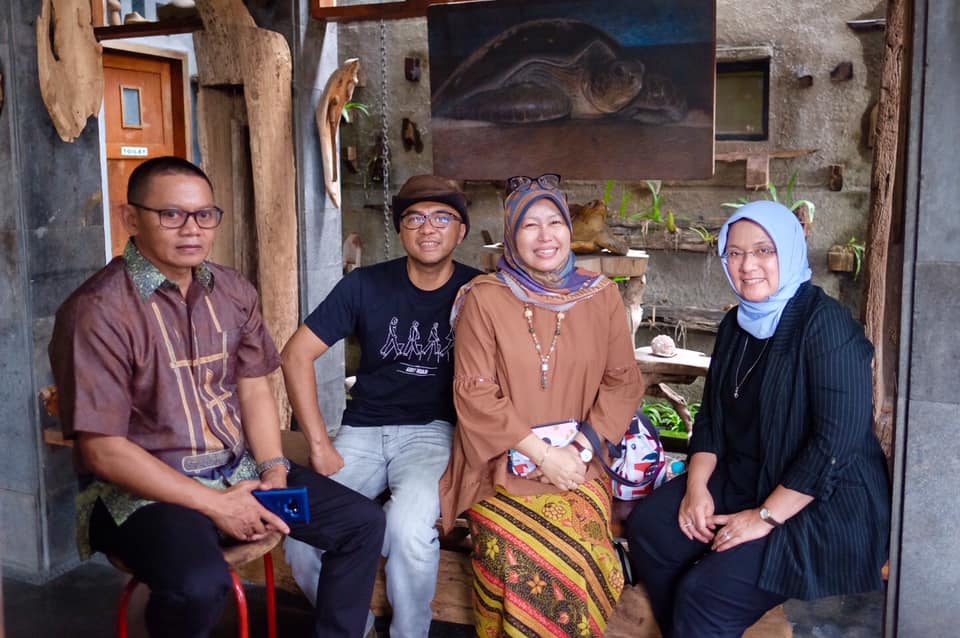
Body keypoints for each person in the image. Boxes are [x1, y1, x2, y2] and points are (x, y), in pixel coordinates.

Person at [48, 156, 385, 638]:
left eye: (204, 214)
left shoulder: (230, 290)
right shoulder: (97, 311)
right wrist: (218, 506)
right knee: (199, 587)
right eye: (171, 214)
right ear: (131, 218)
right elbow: (103, 451)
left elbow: (254, 386)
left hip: (237, 472)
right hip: (143, 496)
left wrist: (273, 469)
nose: (192, 229)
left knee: (362, 523)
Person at [626, 200, 891, 638]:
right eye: (735, 253)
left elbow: (835, 445)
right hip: (747, 477)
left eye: (764, 251)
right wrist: (696, 489)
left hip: (823, 499)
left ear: (788, 251)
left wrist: (763, 517)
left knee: (705, 593)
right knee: (653, 529)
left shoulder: (825, 326)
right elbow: (711, 419)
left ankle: (701, 622)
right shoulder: (736, 325)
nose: (747, 265)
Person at [439, 173, 644, 637]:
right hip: (499, 465)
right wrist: (541, 454)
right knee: (518, 556)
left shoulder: (602, 296)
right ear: (512, 237)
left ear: (570, 230)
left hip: (579, 464)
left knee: (580, 553)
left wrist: (578, 451)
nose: (545, 236)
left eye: (555, 222)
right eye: (529, 225)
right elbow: (474, 392)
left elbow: (622, 382)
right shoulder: (483, 299)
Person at [281, 175, 482, 638]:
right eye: (415, 217)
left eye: (442, 218)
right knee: (300, 536)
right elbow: (295, 355)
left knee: (407, 529)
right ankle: (361, 628)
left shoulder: (480, 291)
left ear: (461, 231)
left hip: (434, 432)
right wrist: (319, 444)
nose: (428, 228)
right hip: (362, 431)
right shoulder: (364, 285)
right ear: (400, 228)